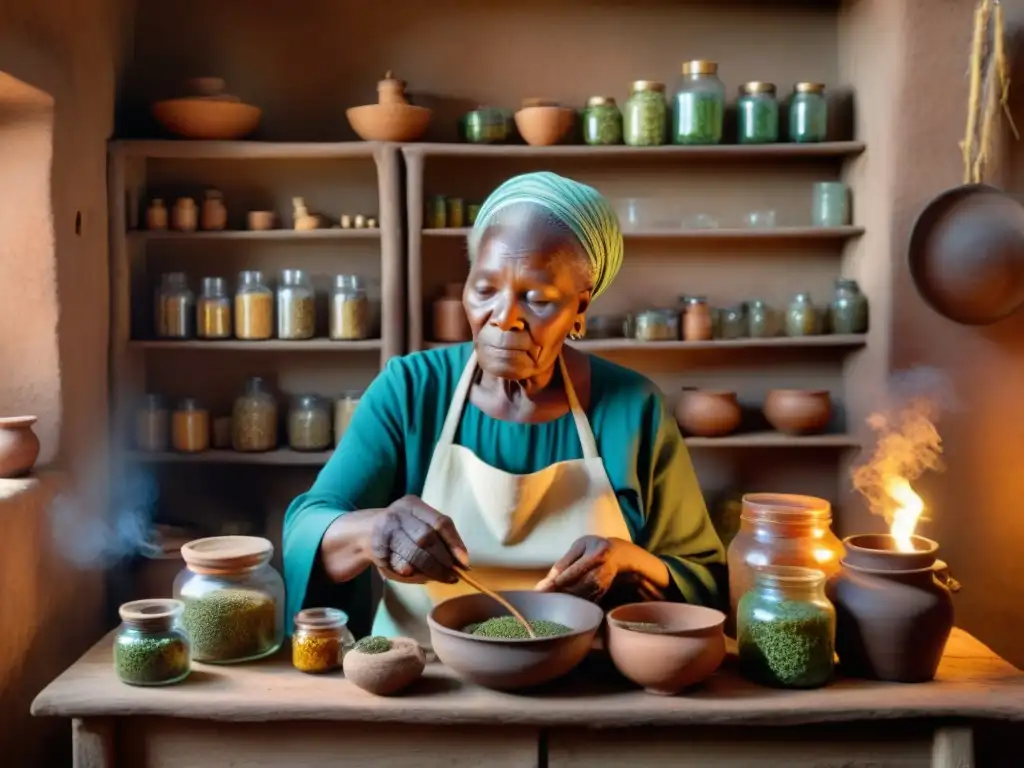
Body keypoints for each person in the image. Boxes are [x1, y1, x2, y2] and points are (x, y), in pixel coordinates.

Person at [283, 171, 725, 646]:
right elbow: (307, 527)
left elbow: (705, 581)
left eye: (536, 299)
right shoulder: (411, 388)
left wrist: (631, 565)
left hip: (584, 673)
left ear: (580, 309)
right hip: (425, 676)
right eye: (484, 289)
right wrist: (377, 530)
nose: (503, 315)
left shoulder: (632, 407)